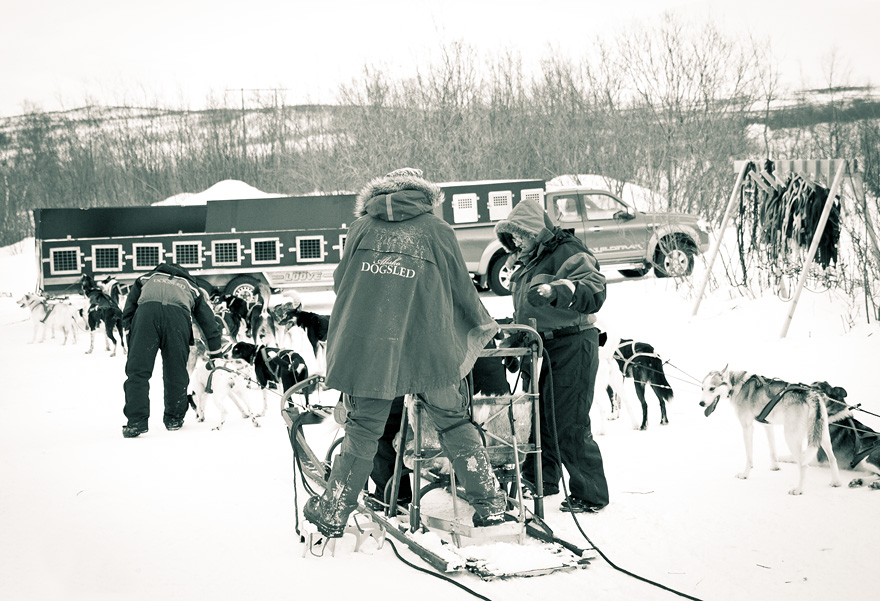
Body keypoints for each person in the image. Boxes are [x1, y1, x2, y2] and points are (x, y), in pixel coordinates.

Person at [303, 168, 507, 538]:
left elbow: (340, 283)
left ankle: (333, 512)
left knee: (363, 430)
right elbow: (460, 286)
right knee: (454, 422)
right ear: (426, 195)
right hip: (430, 344)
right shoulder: (437, 230)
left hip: (370, 348)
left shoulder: (361, 228)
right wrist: (479, 323)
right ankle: (491, 504)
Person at [494, 199, 609, 513]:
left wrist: (559, 290)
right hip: (539, 345)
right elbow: (527, 311)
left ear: (535, 231)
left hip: (572, 342)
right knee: (538, 418)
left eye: (521, 235)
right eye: (512, 237)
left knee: (568, 421)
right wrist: (514, 342)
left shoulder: (567, 251)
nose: (517, 242)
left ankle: (591, 493)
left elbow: (594, 289)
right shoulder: (528, 260)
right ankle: (540, 481)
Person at [121, 262, 223, 438]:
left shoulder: (146, 278)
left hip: (146, 316)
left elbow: (129, 308)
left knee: (137, 372)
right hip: (177, 318)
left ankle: (136, 423)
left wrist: (131, 335)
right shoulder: (193, 287)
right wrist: (215, 352)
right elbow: (207, 320)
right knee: (175, 371)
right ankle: (174, 418)